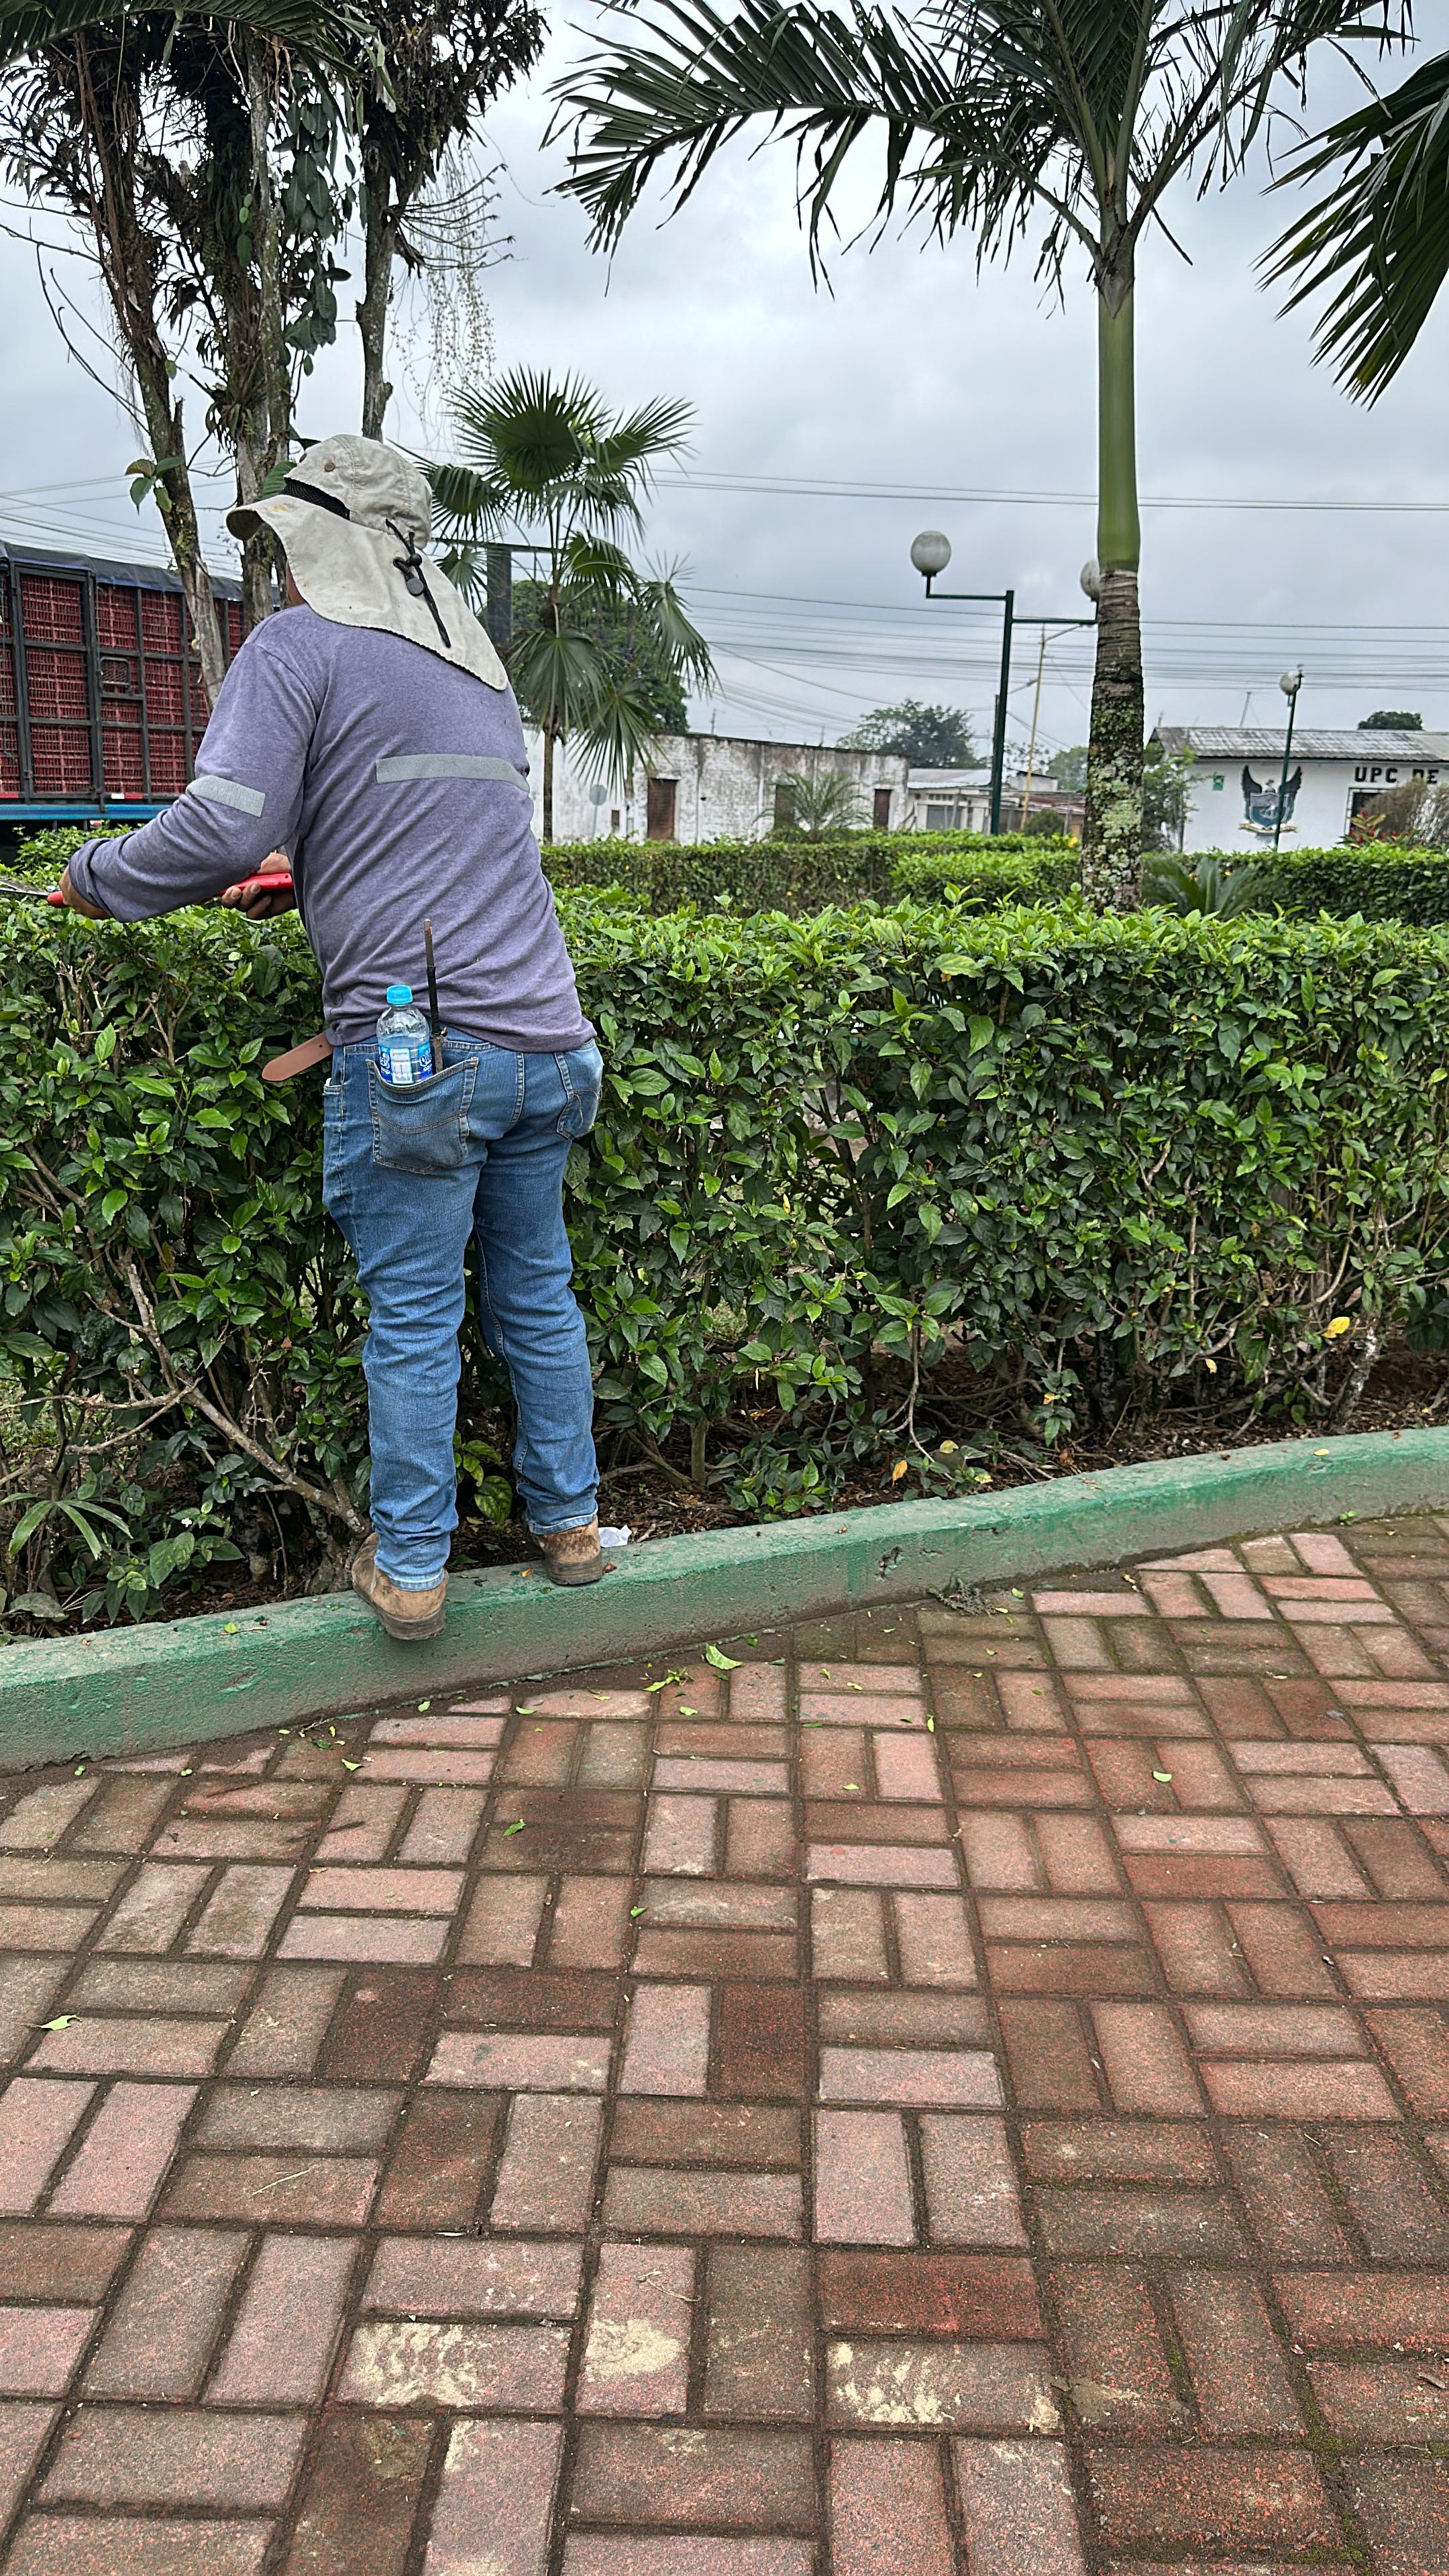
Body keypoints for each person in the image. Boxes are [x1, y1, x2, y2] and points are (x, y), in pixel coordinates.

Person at [58, 434, 605, 1642]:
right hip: (553, 1044)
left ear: (323, 544)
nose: (285, 566)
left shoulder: (296, 647)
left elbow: (217, 827)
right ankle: (572, 1527)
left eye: (290, 542)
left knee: (414, 1318)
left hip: (430, 1057)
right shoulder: (475, 665)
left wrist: (95, 879)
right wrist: (304, 877)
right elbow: (429, 836)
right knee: (537, 1296)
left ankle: (411, 1570)